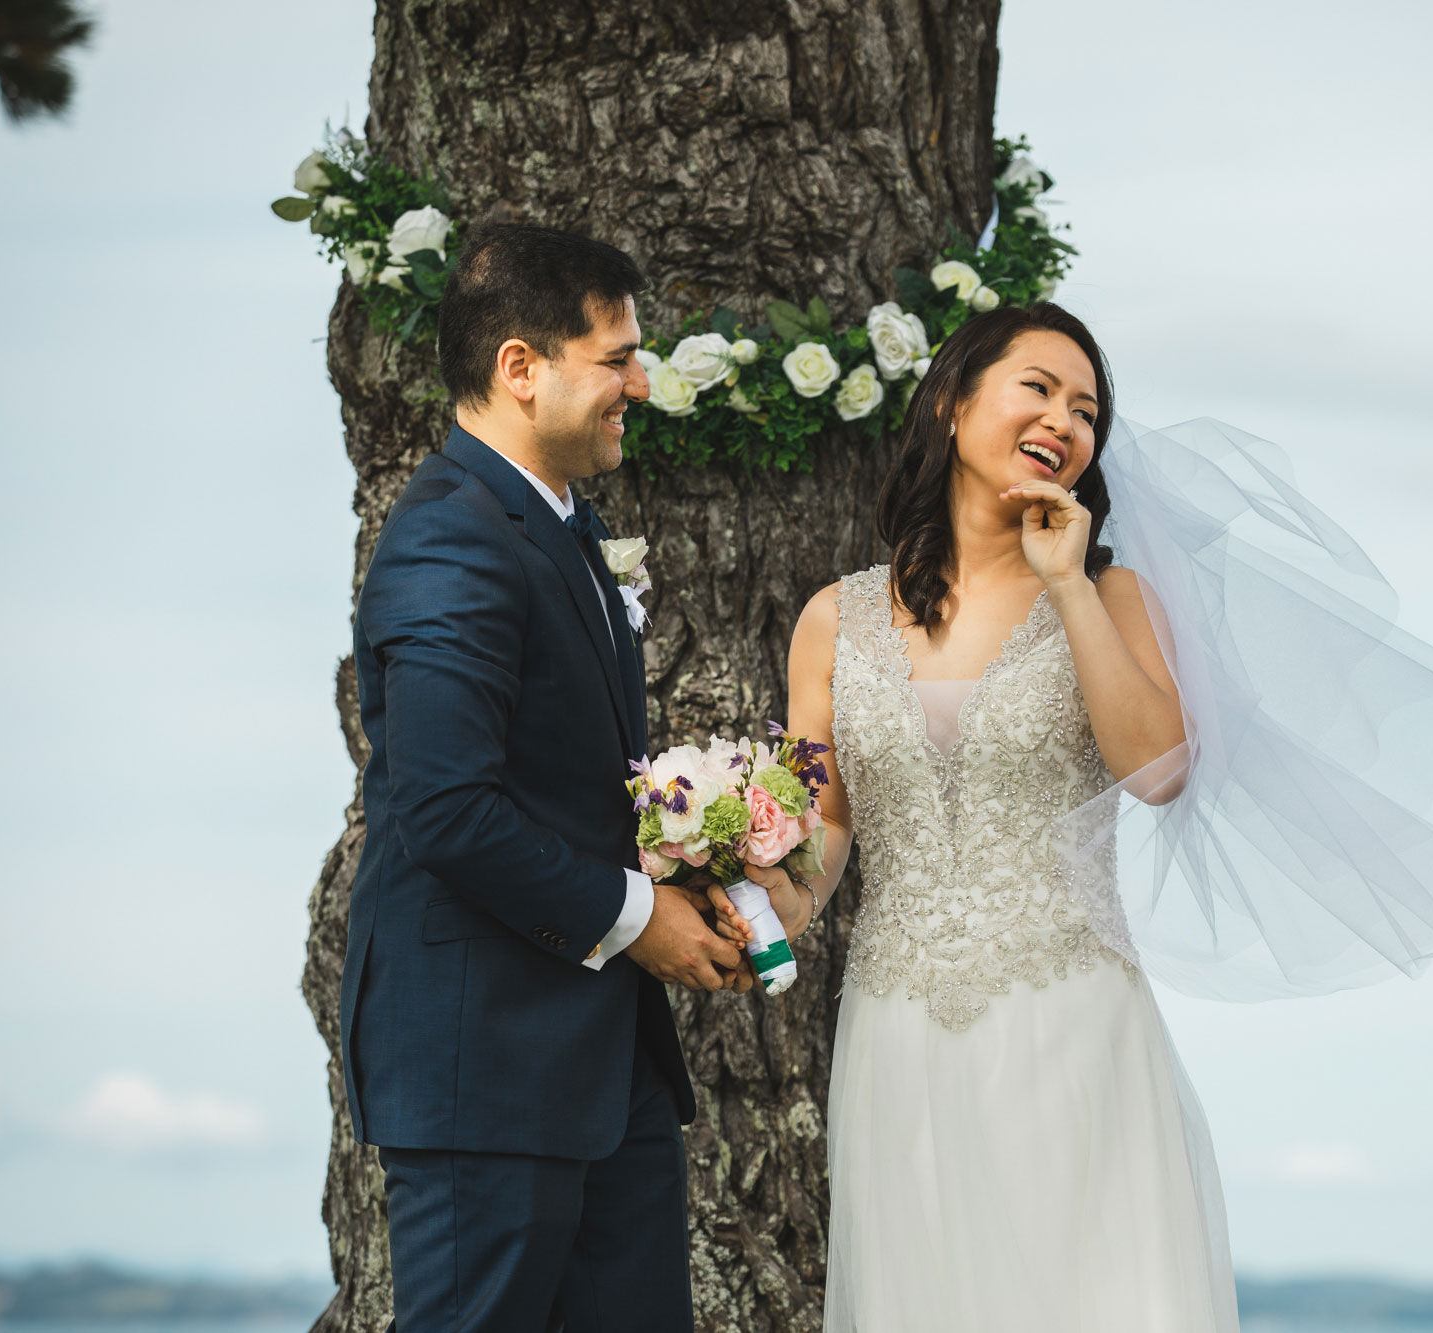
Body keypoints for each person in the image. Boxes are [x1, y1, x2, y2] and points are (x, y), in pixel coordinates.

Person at [748, 304, 1241, 1331]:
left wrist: (1067, 585)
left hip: (1068, 1015)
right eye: (1038, 386)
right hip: (897, 1031)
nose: (1063, 418)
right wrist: (754, 889)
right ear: (951, 399)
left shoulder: (1116, 594)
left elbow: (1157, 771)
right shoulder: (831, 618)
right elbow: (820, 827)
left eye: (1085, 408)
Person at [338, 222, 752, 1332]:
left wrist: (683, 860)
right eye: (615, 356)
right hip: (491, 1065)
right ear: (519, 367)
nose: (638, 380)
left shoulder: (559, 524)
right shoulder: (452, 539)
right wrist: (637, 916)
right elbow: (445, 807)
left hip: (597, 1070)